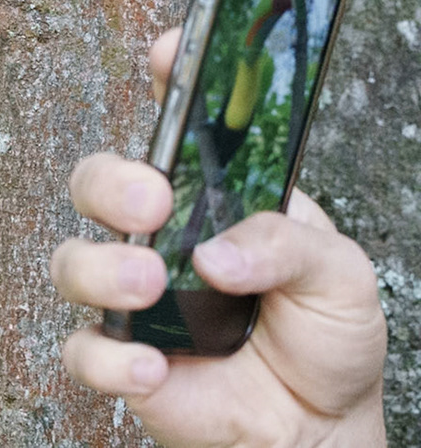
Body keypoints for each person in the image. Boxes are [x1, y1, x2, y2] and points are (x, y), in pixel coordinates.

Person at [51, 28, 389, 447]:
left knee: (199, 210)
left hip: (232, 135)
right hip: (224, 134)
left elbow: (240, 110)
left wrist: (331, 431)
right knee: (187, 212)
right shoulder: (247, 64)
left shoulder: (256, 64)